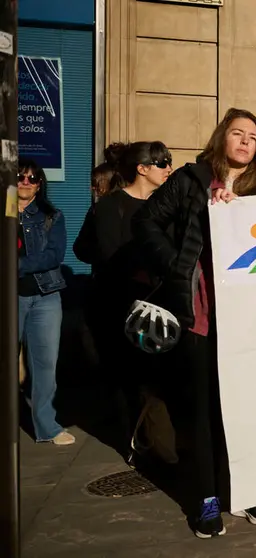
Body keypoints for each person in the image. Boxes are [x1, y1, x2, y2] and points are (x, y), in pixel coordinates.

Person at [132, 108, 256, 538]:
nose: (245, 141)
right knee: (201, 412)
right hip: (200, 319)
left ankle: (247, 489)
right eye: (237, 133)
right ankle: (206, 497)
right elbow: (146, 222)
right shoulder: (190, 180)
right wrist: (177, 263)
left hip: (249, 323)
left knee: (247, 411)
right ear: (222, 138)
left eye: (252, 136)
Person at [75, 141, 174, 454]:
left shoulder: (165, 205)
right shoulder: (110, 206)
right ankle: (134, 441)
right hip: (119, 305)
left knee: (155, 378)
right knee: (127, 378)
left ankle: (155, 439)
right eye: (161, 162)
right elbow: (106, 256)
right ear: (142, 169)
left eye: (168, 161)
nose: (167, 167)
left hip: (160, 302)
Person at [16, 159, 74, 446]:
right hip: (10, 297)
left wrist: (17, 265)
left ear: (39, 185)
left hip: (45, 296)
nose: (26, 182)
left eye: (32, 178)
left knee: (45, 363)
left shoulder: (52, 215)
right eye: (21, 177)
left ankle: (46, 427)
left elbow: (54, 255)